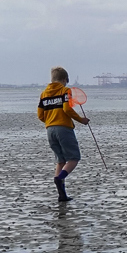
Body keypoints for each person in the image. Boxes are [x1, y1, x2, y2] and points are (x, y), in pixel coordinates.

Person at [37, 66, 90, 202]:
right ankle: (59, 178)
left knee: (60, 160)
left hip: (50, 130)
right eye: (67, 81)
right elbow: (67, 109)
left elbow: (40, 115)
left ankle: (62, 195)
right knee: (74, 158)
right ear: (64, 79)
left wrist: (50, 120)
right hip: (63, 128)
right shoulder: (65, 91)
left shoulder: (44, 94)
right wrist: (81, 120)